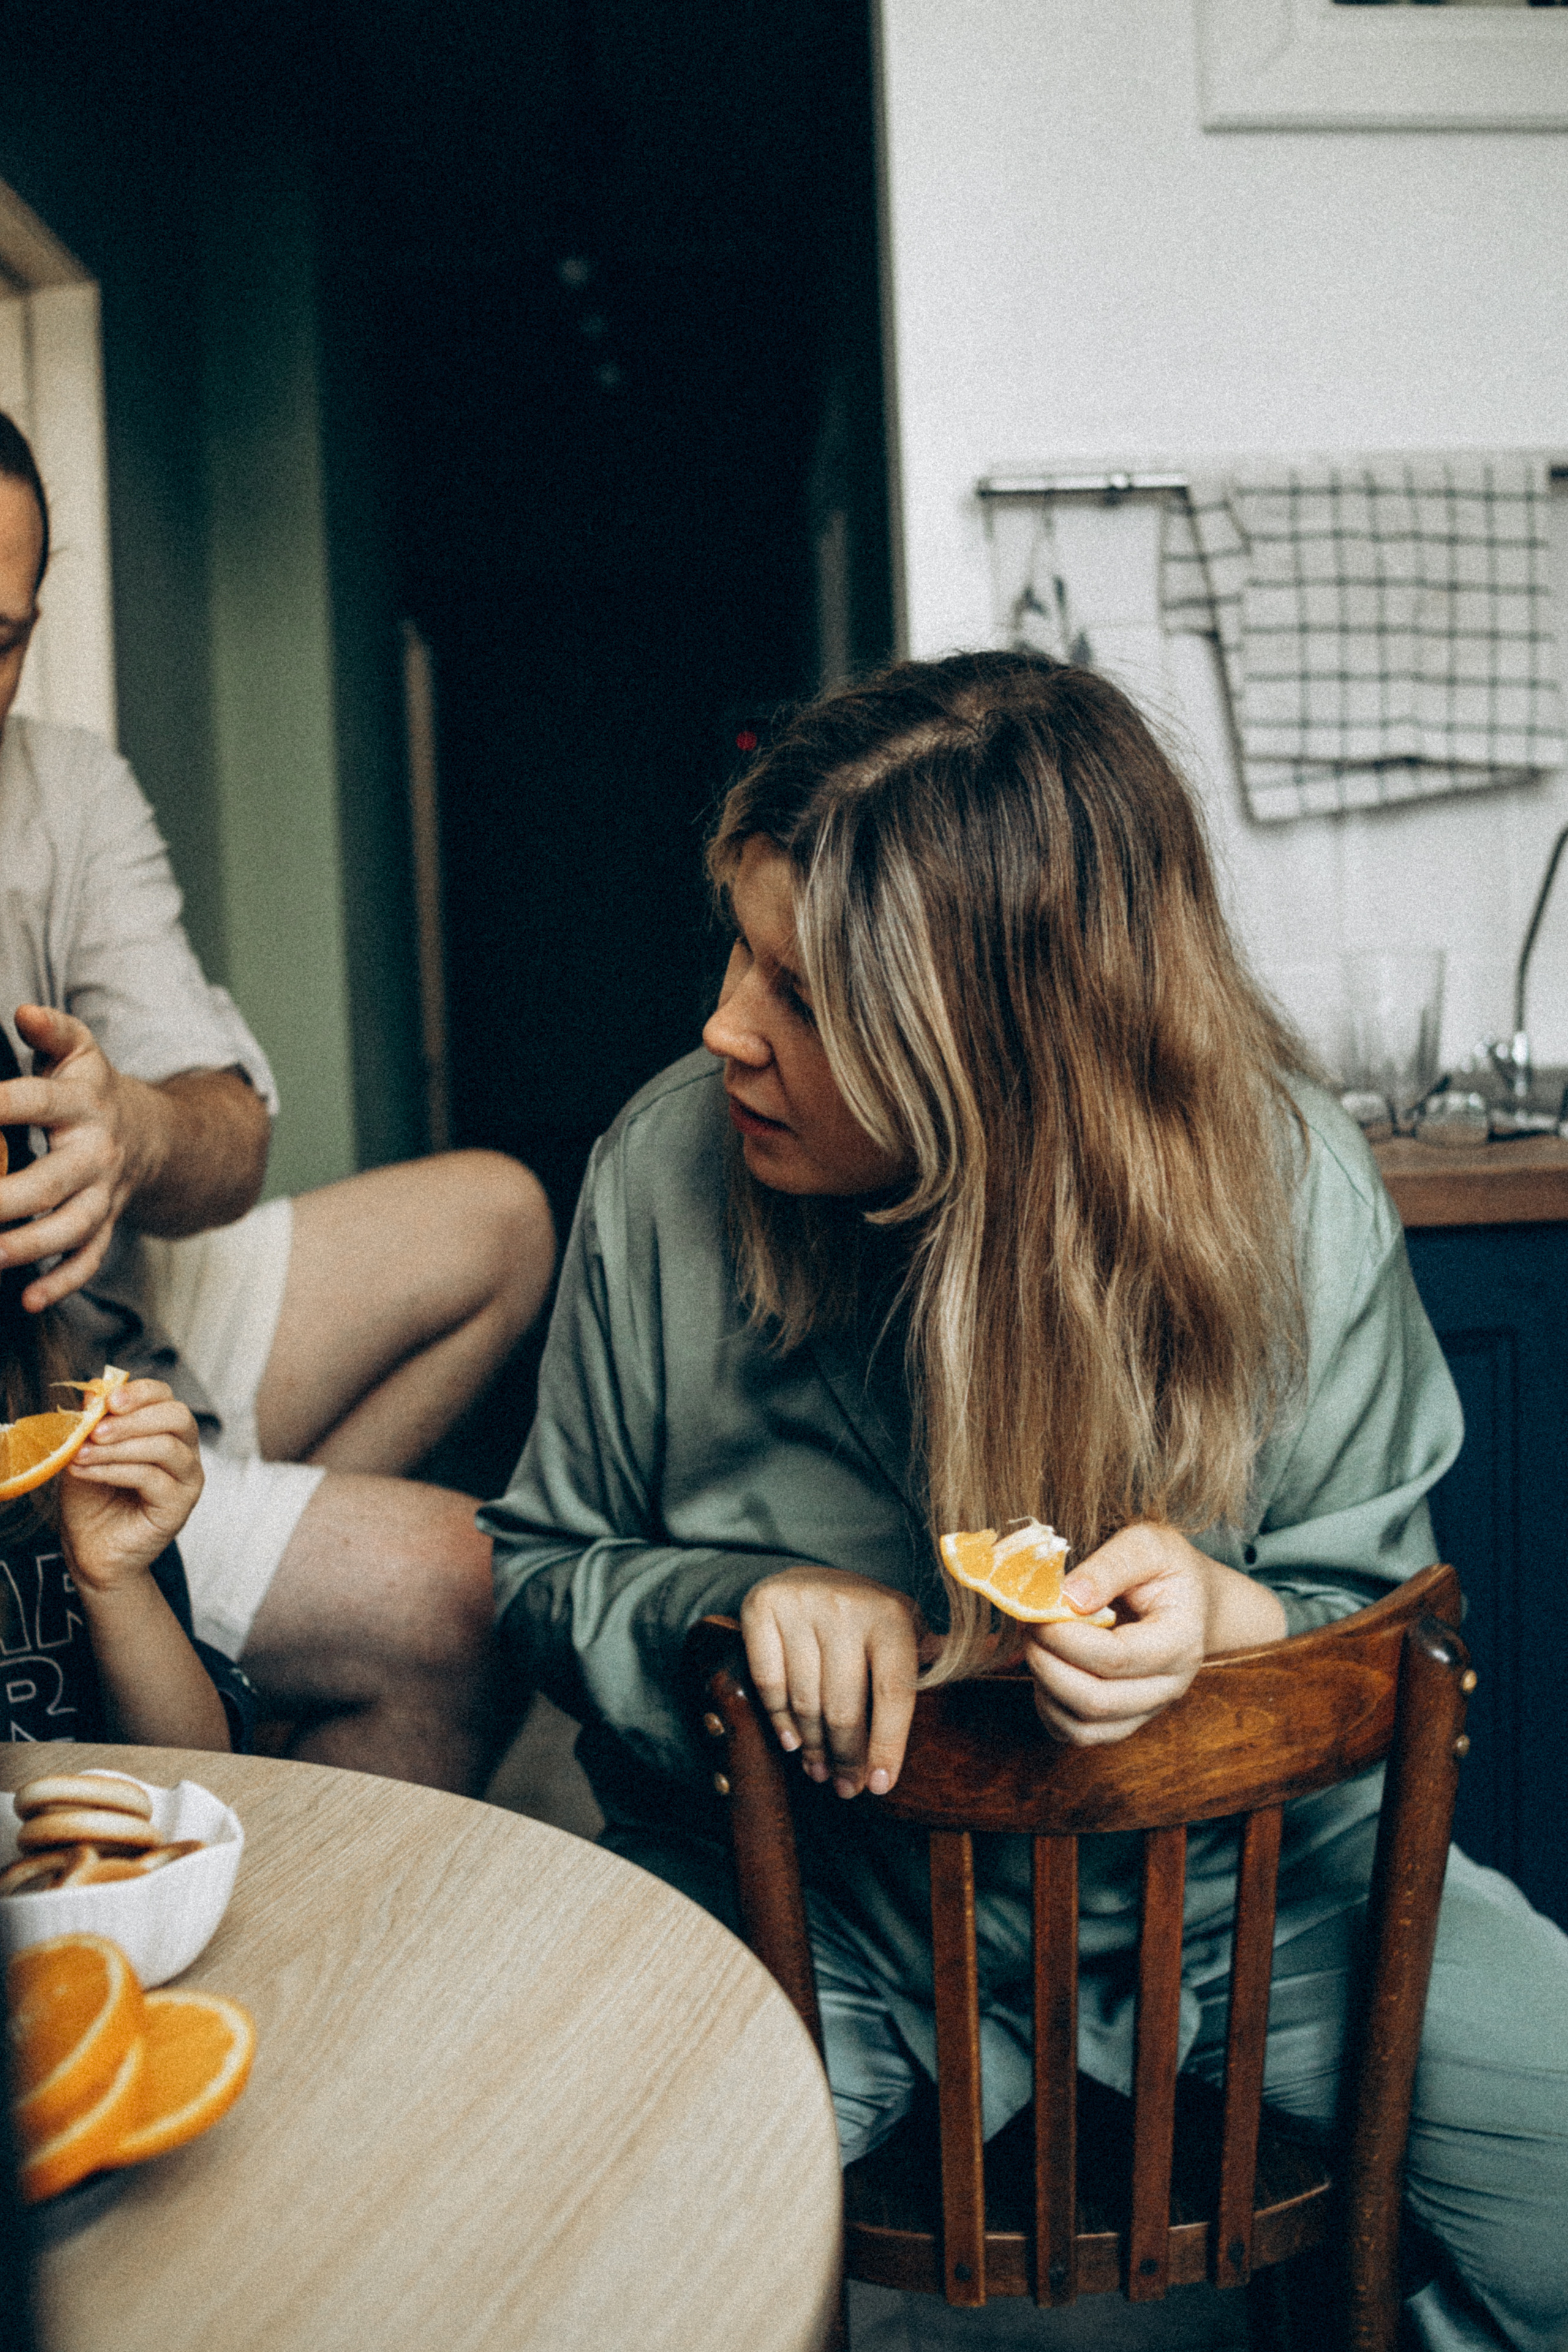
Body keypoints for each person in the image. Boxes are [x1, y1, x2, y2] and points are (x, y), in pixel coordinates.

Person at [484, 652, 1568, 2352]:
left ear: (1000, 1047)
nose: (723, 1030)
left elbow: (1389, 1611)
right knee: (563, 2262)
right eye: (741, 955)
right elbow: (539, 1568)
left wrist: (1235, 1623)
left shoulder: (1289, 1185)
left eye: (807, 997)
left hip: (1265, 1908)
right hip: (813, 1914)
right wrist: (720, 1603)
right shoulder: (657, 1170)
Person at [0, 410, 555, 1791]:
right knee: (460, 1601)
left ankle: (209, 1608)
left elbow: (232, 1136)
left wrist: (130, 1131)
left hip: (126, 1313)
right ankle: (213, 1607)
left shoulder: (64, 785)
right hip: (31, 1406)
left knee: (503, 1217)